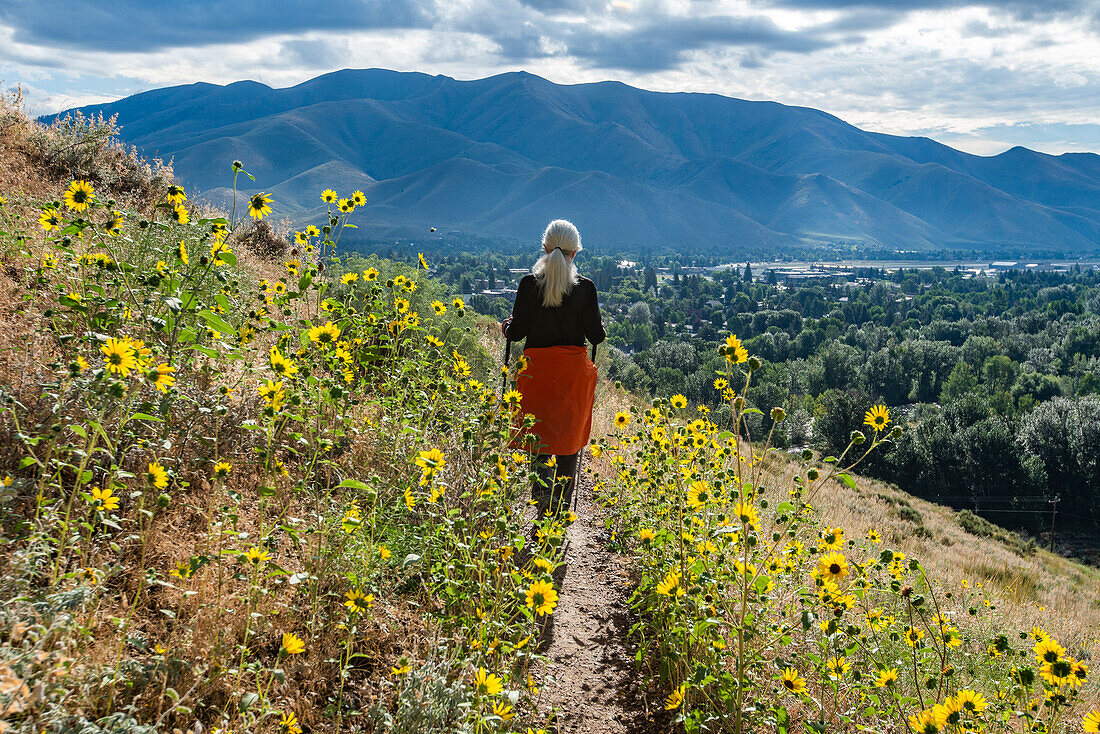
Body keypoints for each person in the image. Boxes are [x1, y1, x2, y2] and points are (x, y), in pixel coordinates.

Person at [501, 219, 605, 519]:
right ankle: (559, 510)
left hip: (537, 372)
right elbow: (596, 336)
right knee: (568, 439)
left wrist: (506, 325)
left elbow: (517, 333)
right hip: (572, 374)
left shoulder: (528, 285)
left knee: (540, 436)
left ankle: (542, 504)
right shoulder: (586, 288)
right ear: (575, 253)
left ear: (545, 248)